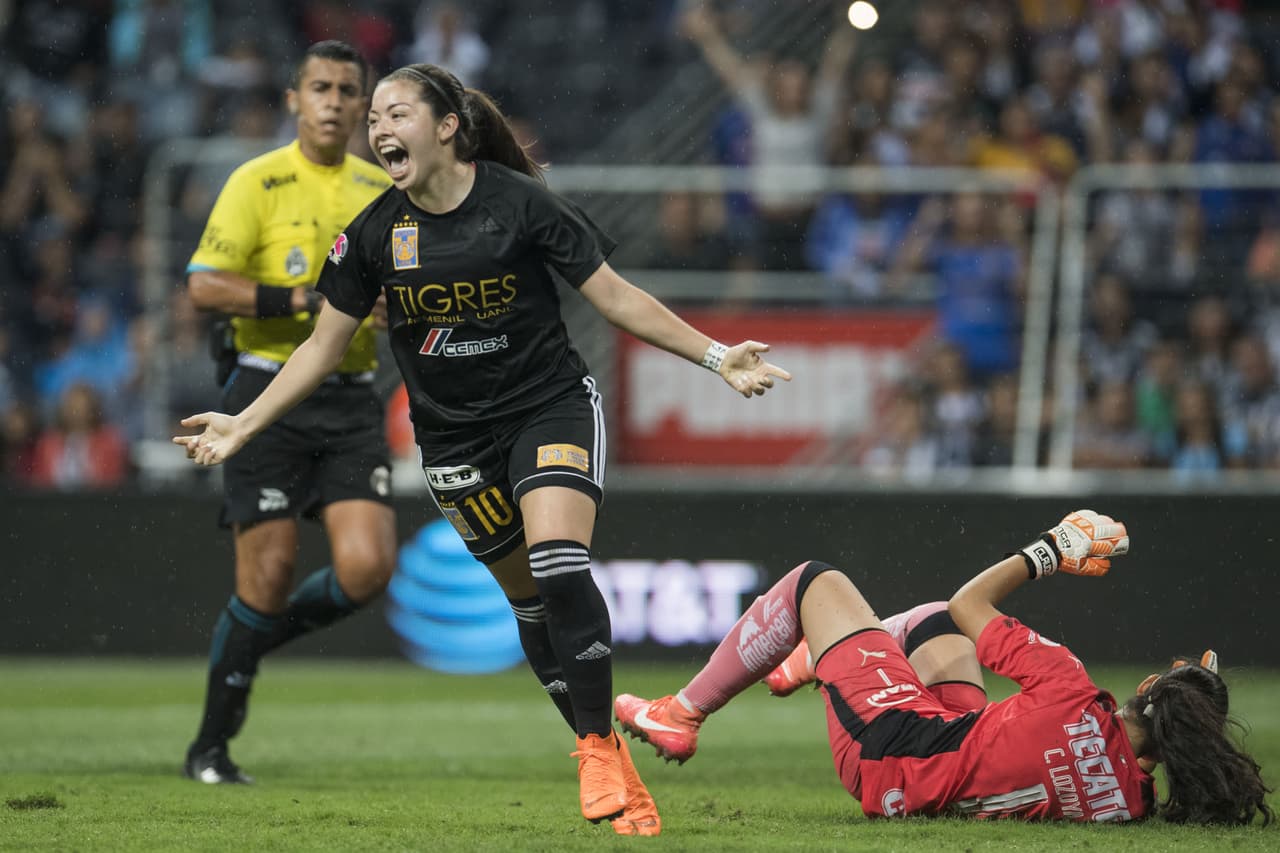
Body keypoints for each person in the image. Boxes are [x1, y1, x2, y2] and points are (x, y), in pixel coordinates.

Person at [173, 62, 791, 834]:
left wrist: (715, 355)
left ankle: (597, 747)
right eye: (377, 120)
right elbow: (324, 346)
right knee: (529, 602)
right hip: (452, 439)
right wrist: (244, 421)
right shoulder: (371, 234)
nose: (380, 129)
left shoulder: (521, 203)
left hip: (548, 409)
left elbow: (616, 295)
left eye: (397, 114)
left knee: (558, 563)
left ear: (446, 127)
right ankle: (606, 753)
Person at [617, 510, 1273, 824]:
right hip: (937, 769)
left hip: (887, 750)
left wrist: (1051, 549)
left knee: (812, 581)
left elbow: (973, 601)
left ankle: (683, 712)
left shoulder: (1073, 689)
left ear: (1150, 686)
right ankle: (818, 658)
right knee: (935, 622)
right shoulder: (1132, 805)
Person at [180, 41, 399, 786]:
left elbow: (402, 285)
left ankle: (255, 636)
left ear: (364, 107)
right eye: (320, 88)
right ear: (293, 100)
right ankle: (210, 746)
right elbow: (205, 286)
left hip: (348, 392)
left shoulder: (381, 188)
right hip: (264, 390)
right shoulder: (258, 179)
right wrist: (304, 301)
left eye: (347, 90)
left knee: (368, 568)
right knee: (267, 574)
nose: (334, 102)